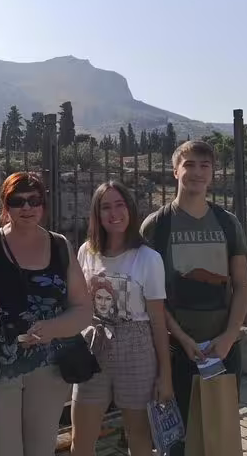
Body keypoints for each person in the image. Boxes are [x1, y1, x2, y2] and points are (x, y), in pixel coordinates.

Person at [140, 140, 247, 456]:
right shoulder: (156, 226)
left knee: (220, 434)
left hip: (224, 350)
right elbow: (152, 296)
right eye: (189, 164)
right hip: (176, 352)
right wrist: (182, 337)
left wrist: (230, 336)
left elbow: (242, 285)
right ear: (175, 170)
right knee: (176, 441)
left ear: (213, 174)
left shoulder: (228, 223)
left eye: (205, 166)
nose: (197, 172)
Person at [0, 172, 92, 456]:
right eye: (17, 201)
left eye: (34, 200)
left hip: (46, 367)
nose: (26, 207)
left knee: (40, 449)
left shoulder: (60, 246)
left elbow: (83, 309)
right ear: (5, 206)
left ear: (43, 205)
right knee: (1, 450)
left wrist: (51, 328)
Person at [71, 181, 173, 456]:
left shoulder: (148, 259)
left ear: (130, 209)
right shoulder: (85, 252)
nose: (114, 213)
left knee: (139, 440)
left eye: (120, 204)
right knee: (80, 442)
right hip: (95, 347)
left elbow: (157, 320)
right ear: (96, 214)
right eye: (106, 207)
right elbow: (78, 304)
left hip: (137, 349)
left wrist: (166, 375)